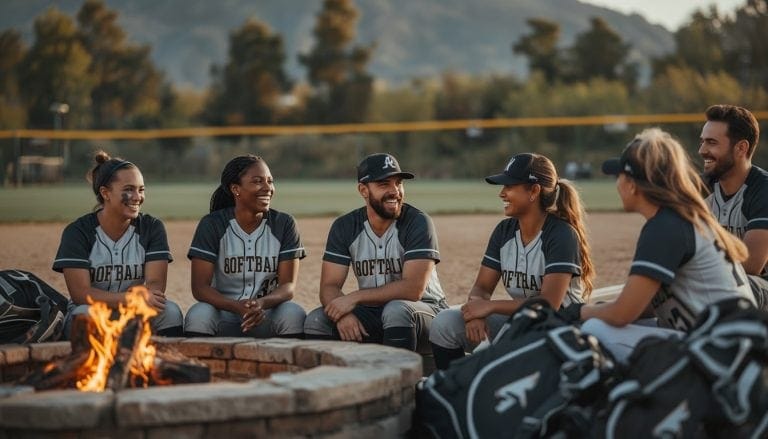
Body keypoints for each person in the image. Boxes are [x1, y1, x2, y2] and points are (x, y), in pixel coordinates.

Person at [570, 128, 755, 364]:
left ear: (633, 184)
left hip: (721, 355)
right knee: (605, 318)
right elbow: (640, 307)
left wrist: (577, 312)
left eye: (620, 176)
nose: (617, 183)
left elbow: (621, 314)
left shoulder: (665, 227)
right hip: (738, 347)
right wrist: (601, 308)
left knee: (594, 329)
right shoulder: (683, 218)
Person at [429, 153, 594, 370]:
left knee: (507, 340)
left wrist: (488, 307)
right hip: (522, 320)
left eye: (509, 186)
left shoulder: (561, 234)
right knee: (445, 323)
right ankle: (450, 391)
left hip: (561, 326)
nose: (502, 193)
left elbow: (548, 304)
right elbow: (482, 286)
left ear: (534, 191)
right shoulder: (504, 231)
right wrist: (475, 315)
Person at [303, 153, 448, 352]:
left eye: (398, 183)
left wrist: (354, 298)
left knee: (396, 310)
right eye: (384, 184)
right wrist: (344, 314)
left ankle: (400, 380)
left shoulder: (418, 222)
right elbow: (329, 286)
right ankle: (334, 381)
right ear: (363, 190)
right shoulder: (345, 226)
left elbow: (413, 289)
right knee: (317, 320)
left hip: (427, 312)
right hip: (375, 312)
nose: (395, 191)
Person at [53, 150, 184, 337]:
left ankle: (165, 365)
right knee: (84, 316)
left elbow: (155, 285)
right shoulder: (78, 231)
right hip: (93, 308)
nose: (137, 197)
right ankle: (88, 366)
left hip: (135, 309)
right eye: (129, 189)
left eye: (141, 189)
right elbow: (81, 294)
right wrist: (131, 299)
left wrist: (140, 299)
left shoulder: (151, 227)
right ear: (105, 193)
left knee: (169, 312)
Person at [184, 155, 306, 338]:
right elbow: (200, 287)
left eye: (270, 181)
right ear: (235, 189)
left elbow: (288, 286)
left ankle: (289, 366)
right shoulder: (212, 224)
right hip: (225, 313)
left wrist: (261, 304)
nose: (267, 188)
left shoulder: (284, 224)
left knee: (293, 314)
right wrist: (235, 306)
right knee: (198, 314)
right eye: (257, 181)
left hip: (265, 313)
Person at [699, 104, 768, 309]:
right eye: (702, 141)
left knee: (736, 288)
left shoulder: (763, 190)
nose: (702, 150)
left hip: (758, 286)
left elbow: (751, 264)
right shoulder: (702, 188)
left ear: (741, 148)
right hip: (726, 283)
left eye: (711, 142)